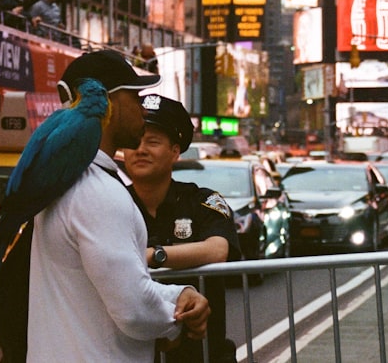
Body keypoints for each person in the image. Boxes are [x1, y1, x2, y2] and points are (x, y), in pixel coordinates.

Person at [27, 50, 210, 361]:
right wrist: (177, 324)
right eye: (136, 96)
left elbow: (109, 284)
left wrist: (179, 295)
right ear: (110, 102)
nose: (142, 107)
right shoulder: (97, 192)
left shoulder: (68, 181)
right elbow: (133, 308)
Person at [123, 95, 241, 363]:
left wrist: (154, 256)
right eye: (135, 141)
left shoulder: (203, 200)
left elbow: (218, 249)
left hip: (203, 354)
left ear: (175, 152)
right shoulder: (110, 201)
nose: (140, 149)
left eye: (152, 142)